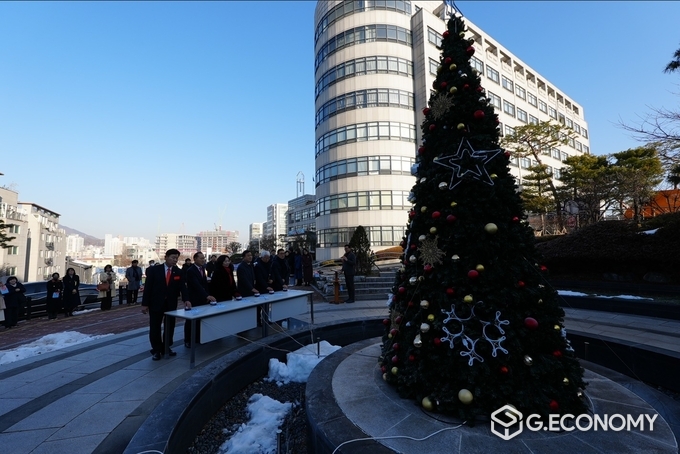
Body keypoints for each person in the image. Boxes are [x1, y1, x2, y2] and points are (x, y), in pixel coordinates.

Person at [141, 248, 189, 361]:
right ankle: (156, 350)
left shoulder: (178, 271)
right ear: (165, 257)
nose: (174, 260)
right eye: (172, 258)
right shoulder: (154, 270)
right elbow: (148, 288)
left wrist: (186, 299)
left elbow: (182, 287)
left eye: (176, 258)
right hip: (155, 303)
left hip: (171, 304)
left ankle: (166, 347)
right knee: (155, 327)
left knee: (170, 326)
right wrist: (145, 304)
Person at [184, 251, 217, 348]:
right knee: (191, 320)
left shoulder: (203, 268)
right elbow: (196, 285)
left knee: (201, 319)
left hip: (202, 298)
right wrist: (206, 296)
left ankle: (198, 338)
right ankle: (188, 340)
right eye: (201, 258)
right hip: (193, 298)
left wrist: (207, 295)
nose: (203, 260)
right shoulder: (191, 270)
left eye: (203, 258)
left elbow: (204, 284)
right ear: (195, 259)